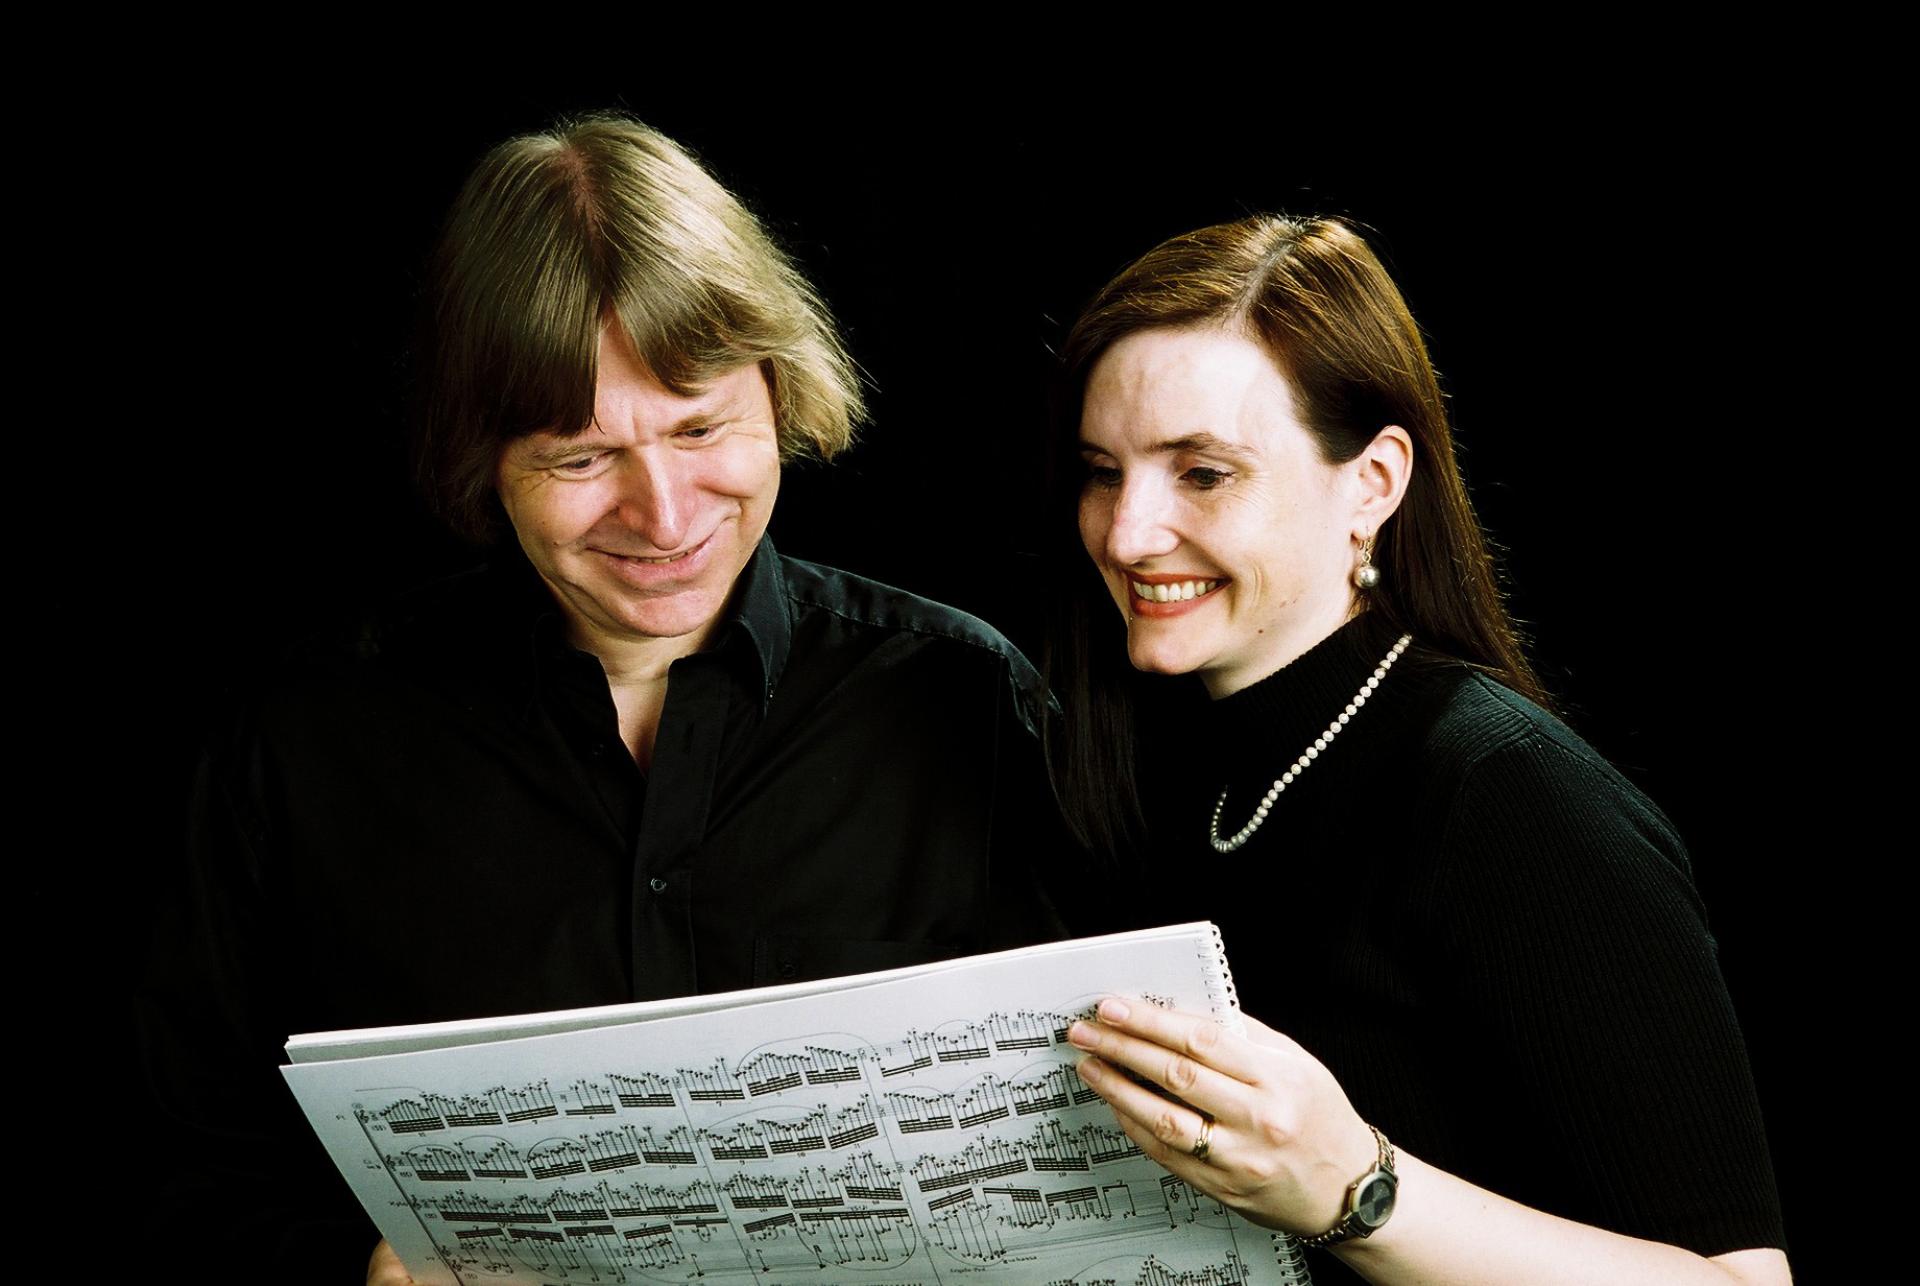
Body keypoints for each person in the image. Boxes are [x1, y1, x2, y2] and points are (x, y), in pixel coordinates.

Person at [137, 114, 1061, 1282]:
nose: (666, 518)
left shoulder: (970, 701)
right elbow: (180, 1171)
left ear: (779, 392)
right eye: (581, 458)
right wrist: (362, 1272)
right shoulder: (306, 742)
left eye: (702, 428)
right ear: (486, 457)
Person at [1043, 216, 1790, 1284]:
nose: (1125, 533)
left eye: (1202, 473)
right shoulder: (1150, 767)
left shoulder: (1507, 795)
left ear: (1374, 483)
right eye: (1101, 471)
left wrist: (1358, 1186)